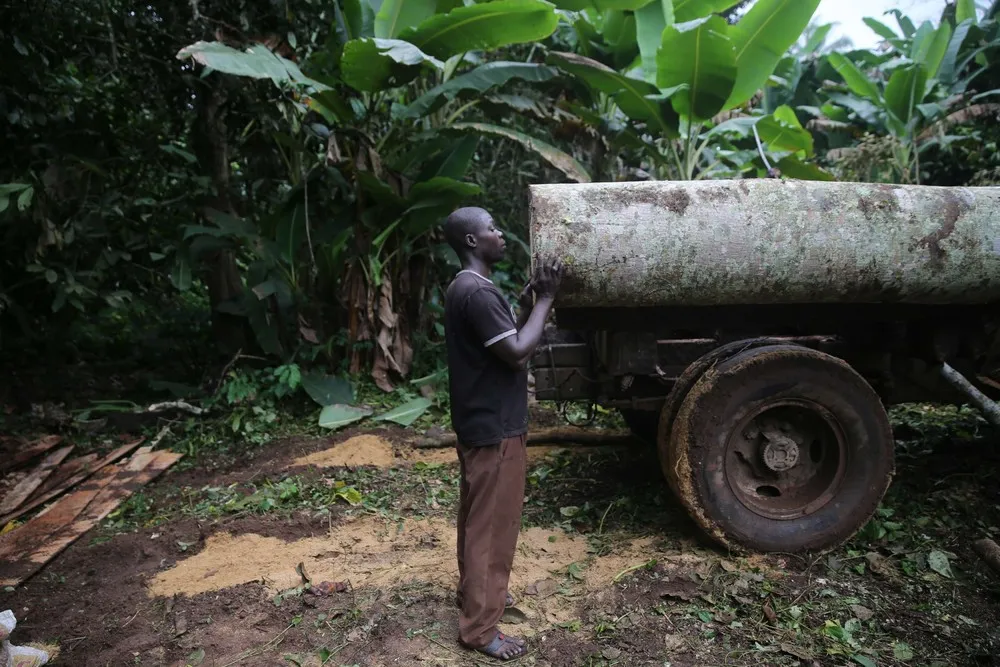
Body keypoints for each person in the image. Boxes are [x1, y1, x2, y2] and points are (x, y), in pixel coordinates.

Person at [442, 206, 562, 661]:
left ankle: (476, 595)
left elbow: (504, 336)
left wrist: (530, 303)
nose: (501, 234)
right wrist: (548, 300)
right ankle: (479, 629)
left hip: (480, 422)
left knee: (477, 518)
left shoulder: (467, 287)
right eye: (492, 228)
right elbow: (515, 352)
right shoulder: (477, 293)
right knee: (492, 527)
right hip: (495, 427)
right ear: (472, 241)